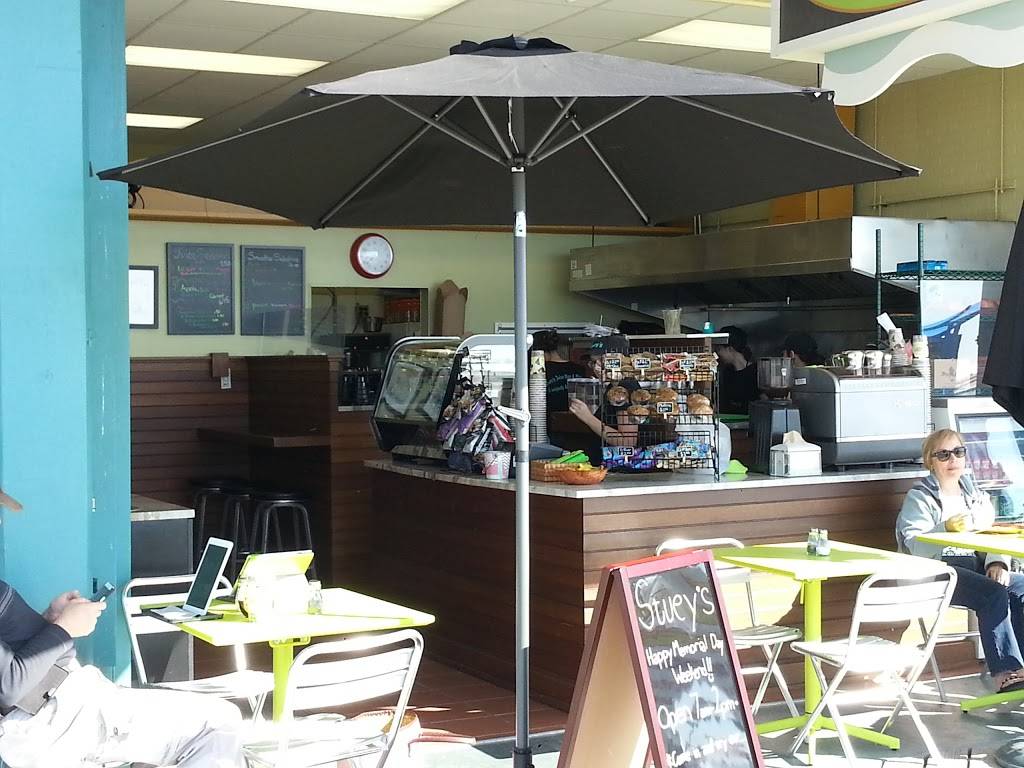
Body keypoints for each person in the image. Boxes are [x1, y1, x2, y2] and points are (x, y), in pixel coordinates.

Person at [0, 488, 246, 768]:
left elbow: (12, 656)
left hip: (67, 705)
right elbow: (9, 686)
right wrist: (65, 628)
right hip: (59, 714)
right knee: (219, 724)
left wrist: (51, 620)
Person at [896, 430, 1024, 694]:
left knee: (1020, 586)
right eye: (943, 454)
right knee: (993, 593)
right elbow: (914, 545)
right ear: (930, 461)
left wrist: (997, 563)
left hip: (975, 564)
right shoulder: (920, 497)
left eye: (958, 452)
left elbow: (991, 535)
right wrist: (945, 527)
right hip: (936, 571)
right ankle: (1005, 672)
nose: (952, 459)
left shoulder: (976, 494)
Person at [715, 325, 758, 415]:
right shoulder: (726, 372)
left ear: (730, 349)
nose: (717, 354)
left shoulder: (755, 371)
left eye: (719, 349)